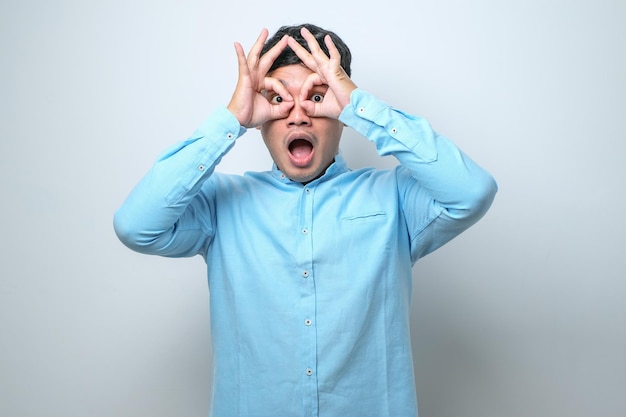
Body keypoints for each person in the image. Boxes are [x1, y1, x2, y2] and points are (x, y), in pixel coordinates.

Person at [114, 23, 497, 417]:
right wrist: (230, 120)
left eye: (317, 97)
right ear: (260, 116)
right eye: (278, 99)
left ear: (343, 113)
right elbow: (136, 225)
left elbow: (472, 192)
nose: (298, 116)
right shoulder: (220, 203)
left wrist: (362, 107)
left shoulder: (395, 197)